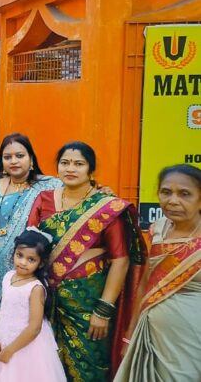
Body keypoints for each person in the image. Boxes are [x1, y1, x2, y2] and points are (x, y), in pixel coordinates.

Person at [28, 142, 144, 381]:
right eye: (65, 163)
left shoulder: (106, 207)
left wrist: (103, 310)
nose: (70, 169)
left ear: (91, 171)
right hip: (46, 301)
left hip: (88, 305)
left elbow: (120, 260)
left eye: (79, 164)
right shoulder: (44, 199)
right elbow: (29, 246)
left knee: (90, 367)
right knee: (45, 367)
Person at [115, 164, 201, 382]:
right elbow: (145, 283)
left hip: (193, 339)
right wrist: (129, 335)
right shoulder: (158, 229)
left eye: (184, 194)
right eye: (166, 192)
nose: (173, 201)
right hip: (151, 335)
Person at [0, 133, 61, 320]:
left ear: (31, 158)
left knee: (29, 319)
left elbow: (77, 194)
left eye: (20, 156)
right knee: (1, 319)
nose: (13, 161)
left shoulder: (50, 186)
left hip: (32, 266)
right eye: (7, 157)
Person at [0, 229, 66, 382]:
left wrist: (10, 350)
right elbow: (4, 308)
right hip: (5, 339)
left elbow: (34, 328)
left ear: (41, 263)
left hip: (27, 346)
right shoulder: (8, 277)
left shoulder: (35, 288)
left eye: (31, 259)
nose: (23, 262)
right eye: (19, 255)